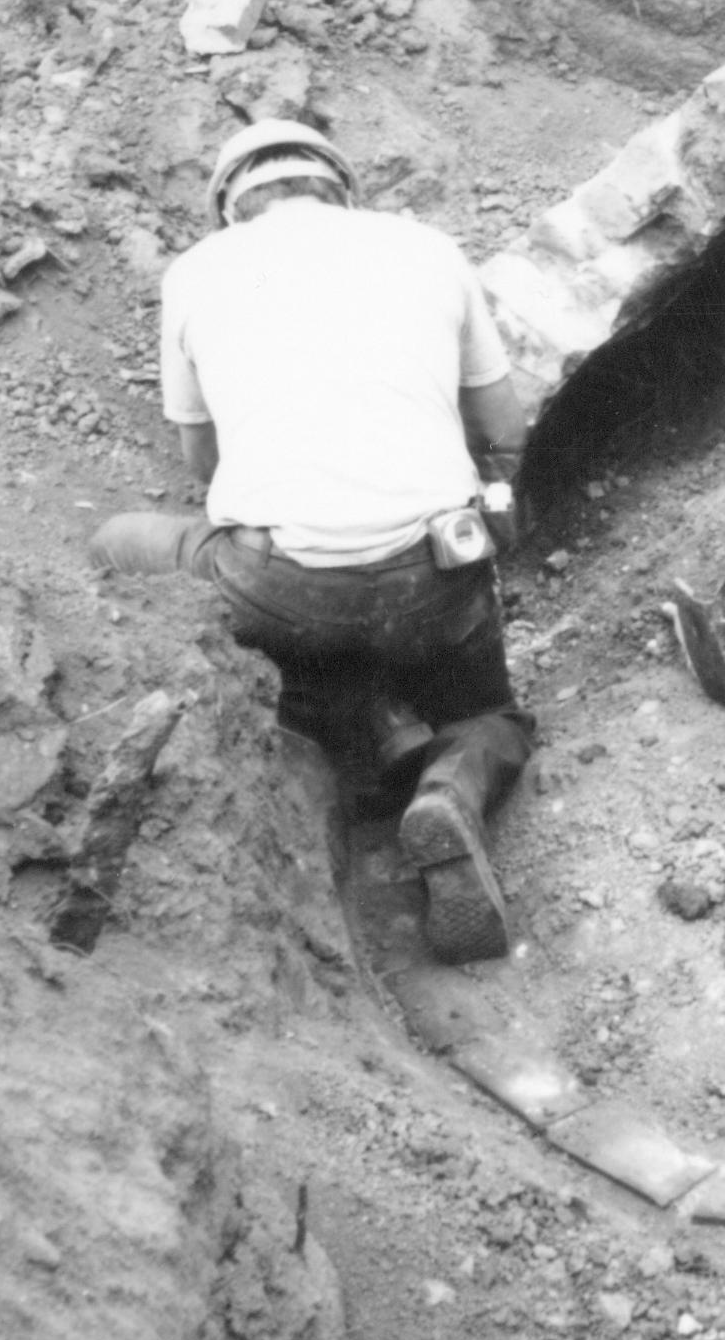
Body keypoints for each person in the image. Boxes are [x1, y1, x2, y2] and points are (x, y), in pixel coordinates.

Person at [88, 120, 533, 964]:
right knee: (489, 714)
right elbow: (503, 432)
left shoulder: (195, 272)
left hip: (281, 584)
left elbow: (202, 463)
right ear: (341, 188)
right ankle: (448, 784)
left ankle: (352, 737)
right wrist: (494, 513)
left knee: (117, 541)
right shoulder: (427, 246)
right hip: (437, 571)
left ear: (232, 208)